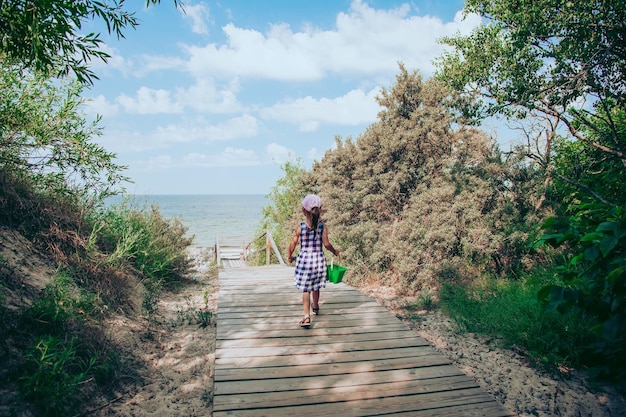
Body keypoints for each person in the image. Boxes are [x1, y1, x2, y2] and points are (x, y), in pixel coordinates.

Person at [287, 194, 340, 327]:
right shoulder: (323, 227)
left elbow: (293, 243)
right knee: (316, 285)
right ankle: (315, 306)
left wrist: (289, 255)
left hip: (305, 261)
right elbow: (326, 245)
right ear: (319, 210)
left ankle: (306, 317)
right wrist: (335, 251)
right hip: (318, 261)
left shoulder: (301, 227)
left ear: (303, 211)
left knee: (306, 289)